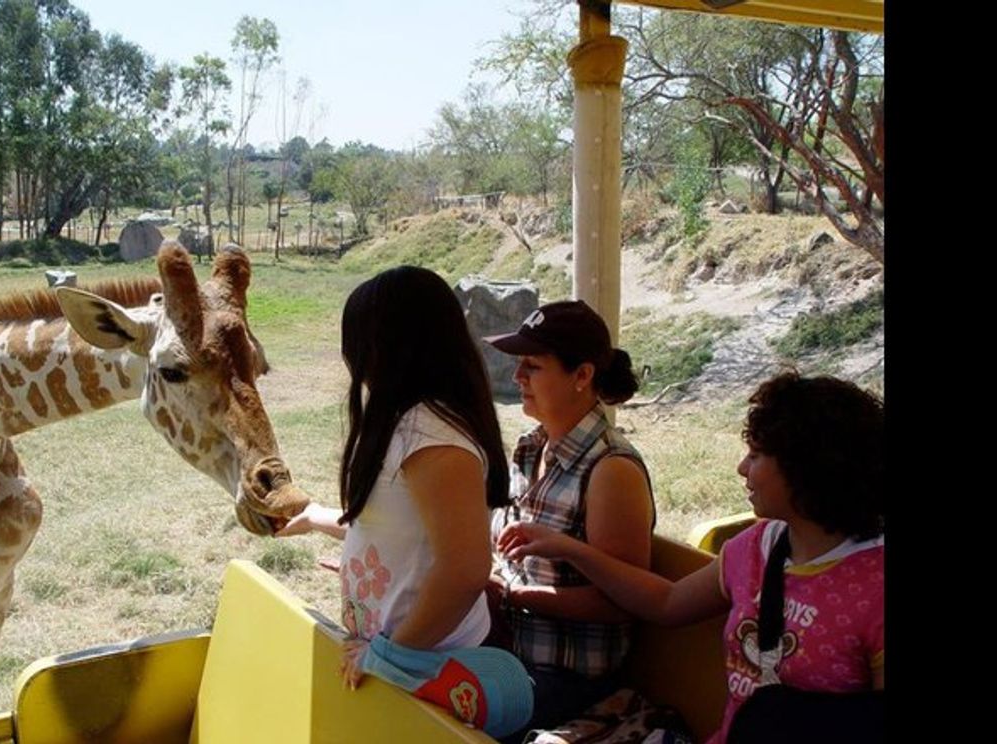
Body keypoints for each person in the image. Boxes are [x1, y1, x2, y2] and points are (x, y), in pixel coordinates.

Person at [498, 372, 884, 744]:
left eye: (758, 454)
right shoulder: (757, 547)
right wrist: (569, 548)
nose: (742, 468)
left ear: (810, 468)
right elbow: (666, 603)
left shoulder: (876, 587)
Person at [275, 265, 513, 690]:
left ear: (390, 347)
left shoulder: (432, 438)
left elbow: (465, 569)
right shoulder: (408, 424)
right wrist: (313, 516)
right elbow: (386, 525)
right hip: (405, 656)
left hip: (431, 665)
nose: (350, 357)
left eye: (357, 342)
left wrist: (389, 654)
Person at [482, 300, 656, 739]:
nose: (518, 377)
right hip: (509, 657)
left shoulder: (611, 470)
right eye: (520, 364)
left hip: (569, 681)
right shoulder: (529, 447)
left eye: (533, 366)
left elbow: (622, 601)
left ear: (582, 376)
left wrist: (518, 597)